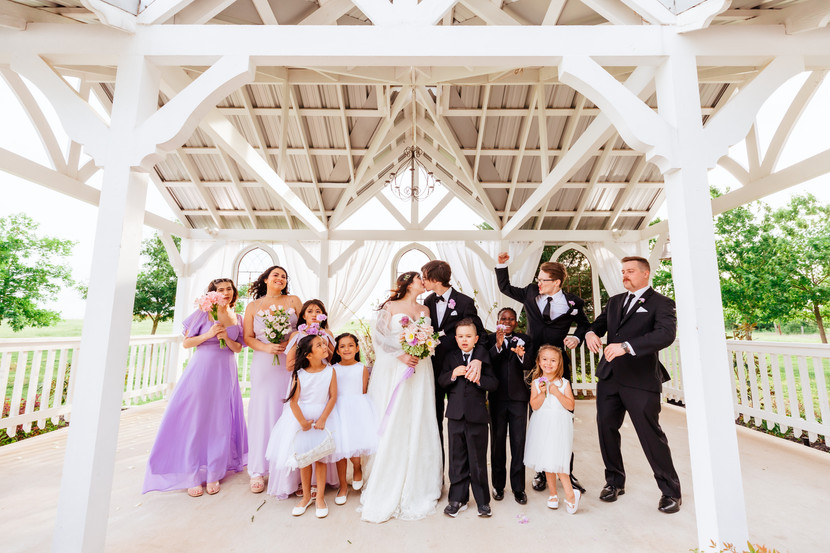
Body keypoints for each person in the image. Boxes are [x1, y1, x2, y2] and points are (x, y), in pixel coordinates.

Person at [585, 256, 682, 514]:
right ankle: (614, 482)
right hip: (609, 377)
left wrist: (627, 347)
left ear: (645, 273)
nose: (624, 275)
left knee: (651, 435)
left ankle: (670, 491)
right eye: (623, 271)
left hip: (641, 379)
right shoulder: (615, 301)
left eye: (630, 271)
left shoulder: (661, 303)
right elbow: (598, 324)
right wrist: (590, 333)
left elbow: (665, 334)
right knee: (606, 430)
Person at [495, 252, 589, 494]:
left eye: (543, 279)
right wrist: (502, 265)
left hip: (559, 366)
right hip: (534, 365)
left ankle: (565, 470)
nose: (538, 282)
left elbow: (586, 325)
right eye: (538, 278)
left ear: (556, 282)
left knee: (563, 417)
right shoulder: (530, 293)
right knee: (537, 417)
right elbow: (505, 287)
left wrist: (577, 337)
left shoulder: (573, 303)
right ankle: (541, 471)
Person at [143, 278, 247, 497]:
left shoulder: (237, 317)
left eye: (229, 289)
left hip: (225, 372)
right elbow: (187, 343)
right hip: (202, 371)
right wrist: (209, 335)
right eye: (220, 289)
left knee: (220, 422)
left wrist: (226, 339)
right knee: (196, 421)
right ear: (212, 294)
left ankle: (214, 472)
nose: (225, 292)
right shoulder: (203, 313)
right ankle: (191, 474)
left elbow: (238, 348)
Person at [359, 271, 443, 523]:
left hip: (421, 367)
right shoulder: (390, 307)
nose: (423, 282)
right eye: (419, 279)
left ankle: (420, 478)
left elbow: (430, 337)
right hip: (397, 366)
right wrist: (402, 355)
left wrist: (423, 348)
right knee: (397, 415)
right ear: (408, 283)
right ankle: (388, 474)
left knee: (418, 415)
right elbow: (379, 338)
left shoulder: (425, 309)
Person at [265, 335, 339, 519]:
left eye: (324, 344)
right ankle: (306, 497)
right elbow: (293, 401)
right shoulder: (299, 374)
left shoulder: (330, 371)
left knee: (320, 458)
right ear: (308, 354)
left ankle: (320, 497)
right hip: (302, 418)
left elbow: (333, 397)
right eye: (319, 345)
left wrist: (323, 419)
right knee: (304, 459)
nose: (324, 347)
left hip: (323, 417)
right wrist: (302, 422)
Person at [243, 265, 302, 493]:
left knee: (290, 409)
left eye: (284, 276)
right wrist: (267, 347)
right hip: (264, 363)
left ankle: (291, 467)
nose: (280, 279)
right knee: (263, 412)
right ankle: (258, 469)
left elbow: (305, 327)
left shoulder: (293, 301)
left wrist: (289, 342)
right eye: (276, 275)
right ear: (266, 279)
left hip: (290, 360)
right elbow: (248, 337)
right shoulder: (253, 306)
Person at [421, 259, 486, 461]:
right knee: (434, 418)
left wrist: (478, 360)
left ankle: (465, 466)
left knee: (461, 419)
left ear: (435, 279)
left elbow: (481, 334)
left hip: (460, 370)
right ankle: (437, 467)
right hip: (434, 370)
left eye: (425, 277)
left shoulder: (465, 302)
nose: (422, 281)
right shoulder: (428, 302)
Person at [438, 319, 498, 518]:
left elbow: (494, 383)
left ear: (476, 339)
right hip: (455, 416)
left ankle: (483, 501)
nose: (464, 340)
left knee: (478, 461)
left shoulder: (483, 359)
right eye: (461, 336)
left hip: (477, 416)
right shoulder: (450, 357)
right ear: (456, 338)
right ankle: (457, 499)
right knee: (457, 459)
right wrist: (453, 374)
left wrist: (479, 379)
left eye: (468, 336)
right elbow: (441, 381)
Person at [524, 345, 581, 514]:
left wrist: (556, 392)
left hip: (559, 425)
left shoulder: (564, 383)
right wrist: (542, 393)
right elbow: (534, 406)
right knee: (546, 459)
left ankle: (571, 495)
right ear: (539, 362)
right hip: (542, 424)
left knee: (559, 461)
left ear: (559, 363)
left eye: (553, 360)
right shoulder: (536, 383)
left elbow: (570, 405)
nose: (548, 363)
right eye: (545, 359)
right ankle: (553, 494)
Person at [486, 307, 532, 505]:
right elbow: (486, 363)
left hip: (518, 399)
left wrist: (521, 355)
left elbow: (529, 364)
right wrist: (497, 345)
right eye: (503, 318)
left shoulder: (525, 340)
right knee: (497, 443)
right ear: (498, 321)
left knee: (518, 443)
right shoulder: (489, 339)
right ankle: (498, 485)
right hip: (496, 398)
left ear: (516, 322)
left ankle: (519, 488)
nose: (507, 322)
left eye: (511, 319)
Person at [331, 333, 377, 506]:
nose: (347, 349)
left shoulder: (361, 368)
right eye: (342, 346)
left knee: (355, 445)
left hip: (357, 409)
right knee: (340, 450)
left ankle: (357, 467)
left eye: (350, 345)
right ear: (337, 351)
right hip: (338, 410)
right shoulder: (333, 369)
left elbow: (363, 391)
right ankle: (343, 486)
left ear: (357, 348)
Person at [285, 299, 336, 369]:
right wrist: (308, 352)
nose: (314, 315)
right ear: (304, 316)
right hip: (303, 373)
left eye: (318, 311)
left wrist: (325, 347)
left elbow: (335, 362)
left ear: (323, 315)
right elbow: (289, 366)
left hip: (324, 372)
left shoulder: (327, 334)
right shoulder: (296, 335)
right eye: (309, 311)